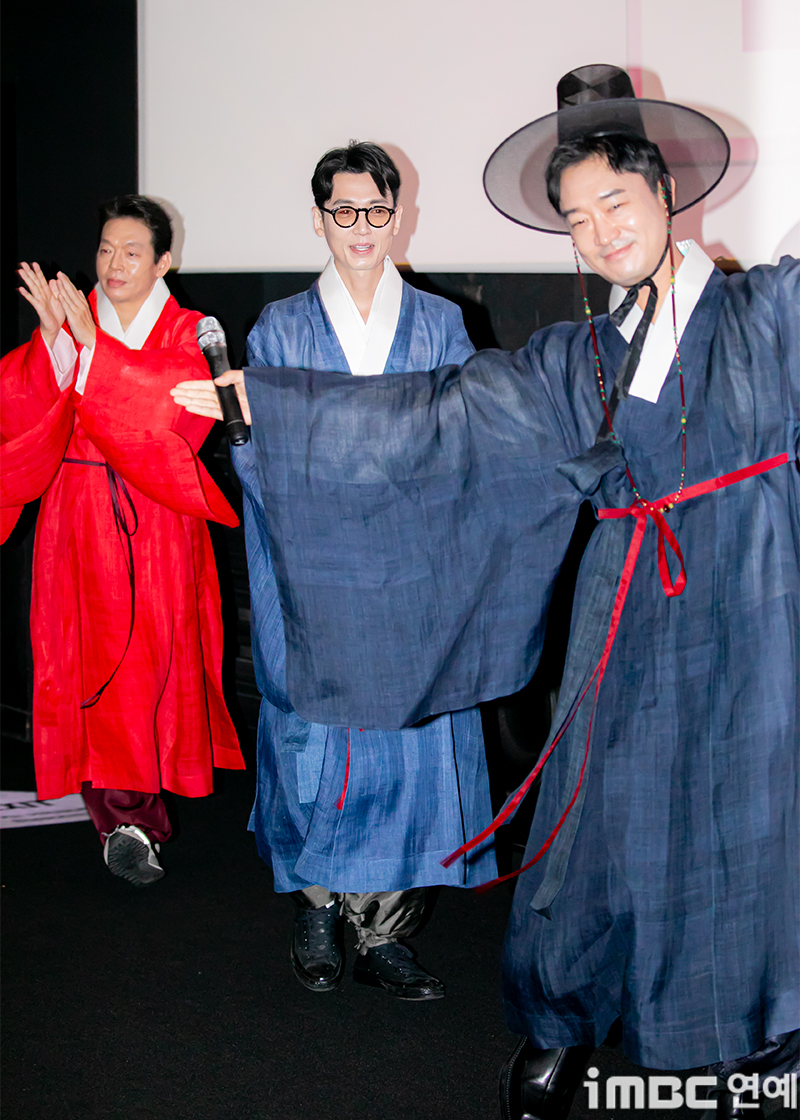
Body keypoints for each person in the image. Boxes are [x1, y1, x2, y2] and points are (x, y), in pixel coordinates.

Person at [172, 69, 798, 1112]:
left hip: (753, 600)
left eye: (615, 203)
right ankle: (563, 1014)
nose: (599, 233)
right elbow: (444, 416)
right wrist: (272, 407)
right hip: (627, 607)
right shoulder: (581, 356)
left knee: (751, 812)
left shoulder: (769, 309)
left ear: (664, 194)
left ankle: (765, 1029)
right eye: (576, 218)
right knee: (597, 809)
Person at [180, 142, 495, 999]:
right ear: (319, 220)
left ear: (401, 216)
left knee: (408, 743)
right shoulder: (282, 325)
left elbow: (465, 439)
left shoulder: (441, 322)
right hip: (311, 565)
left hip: (410, 569)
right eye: (344, 210)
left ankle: (385, 928)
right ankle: (318, 907)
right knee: (312, 736)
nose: (362, 227)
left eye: (377, 210)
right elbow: (259, 450)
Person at [1, 195, 244, 886]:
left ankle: (137, 813)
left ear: (164, 261)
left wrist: (92, 350)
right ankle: (120, 819)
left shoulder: (190, 330)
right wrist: (54, 343)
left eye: (132, 251)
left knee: (148, 665)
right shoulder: (76, 319)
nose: (114, 263)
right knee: (82, 660)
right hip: (76, 515)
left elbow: (176, 409)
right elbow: (22, 409)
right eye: (106, 249)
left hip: (155, 517)